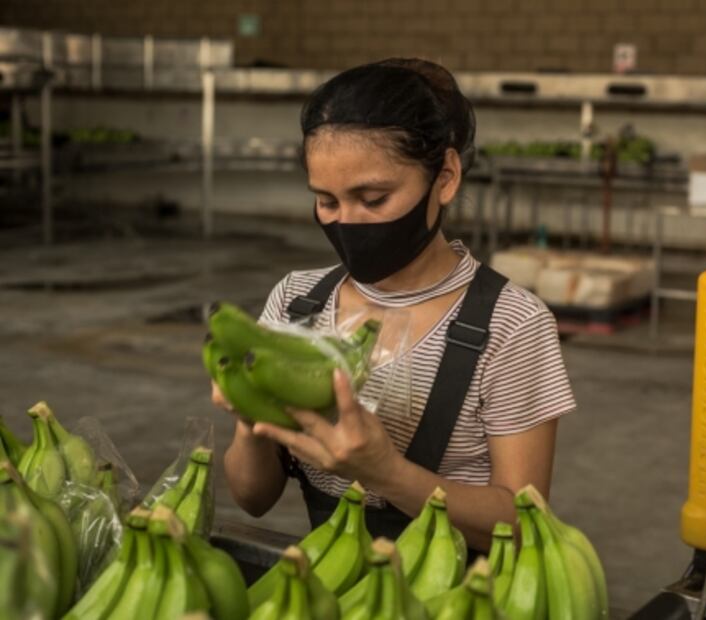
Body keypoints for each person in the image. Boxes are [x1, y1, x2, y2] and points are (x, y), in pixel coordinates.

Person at [214, 58, 576, 552]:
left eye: (373, 198)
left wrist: (386, 473)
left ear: (445, 177)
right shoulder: (297, 303)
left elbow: (521, 525)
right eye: (327, 201)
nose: (348, 222)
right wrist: (250, 418)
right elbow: (252, 498)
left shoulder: (512, 324)